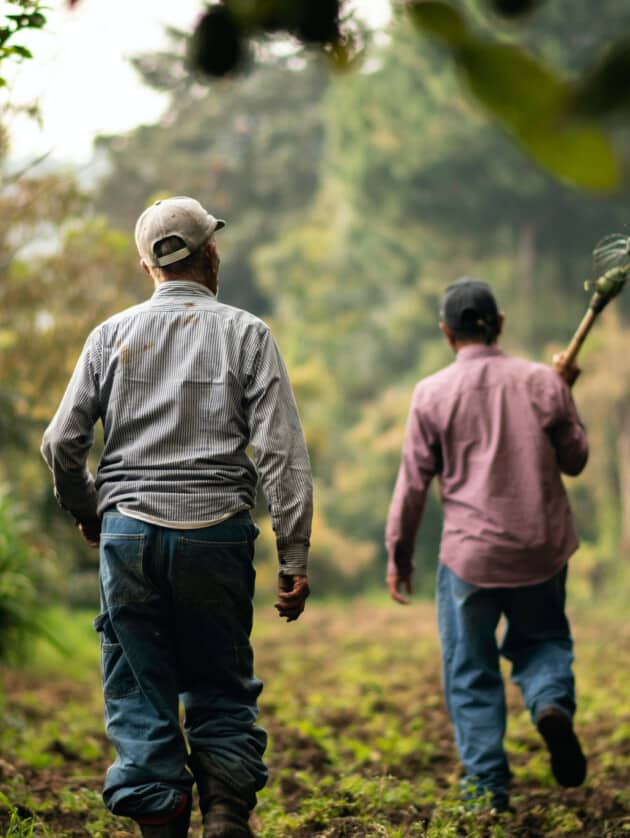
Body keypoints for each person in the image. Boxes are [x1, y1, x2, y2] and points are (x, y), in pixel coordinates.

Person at [41, 196, 313, 838]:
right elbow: (282, 456)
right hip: (216, 533)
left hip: (128, 534)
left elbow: (61, 442)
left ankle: (162, 816)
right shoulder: (248, 333)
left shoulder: (110, 336)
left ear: (147, 266)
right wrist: (293, 557)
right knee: (219, 680)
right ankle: (224, 811)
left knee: (139, 686)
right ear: (210, 254)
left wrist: (89, 512)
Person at [385, 277, 588, 812]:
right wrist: (563, 390)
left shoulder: (430, 393)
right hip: (540, 550)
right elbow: (576, 459)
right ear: (499, 325)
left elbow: (412, 485)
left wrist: (399, 554)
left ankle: (487, 791)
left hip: (469, 559)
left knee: (471, 670)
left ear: (446, 334)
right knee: (542, 640)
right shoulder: (542, 383)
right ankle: (550, 707)